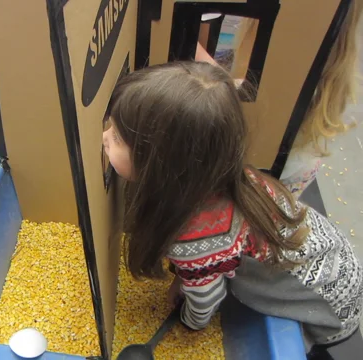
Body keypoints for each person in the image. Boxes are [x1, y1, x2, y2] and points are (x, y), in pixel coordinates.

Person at [102, 61, 362, 357]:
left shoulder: (196, 236)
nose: (104, 138)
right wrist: (184, 276)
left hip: (326, 305)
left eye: (118, 138)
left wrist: (188, 320)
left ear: (161, 161)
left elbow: (203, 304)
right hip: (334, 254)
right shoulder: (215, 175)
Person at [199, 1, 362, 199]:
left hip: (259, 189)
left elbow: (226, 97)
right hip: (285, 175)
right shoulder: (326, 77)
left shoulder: (272, 97)